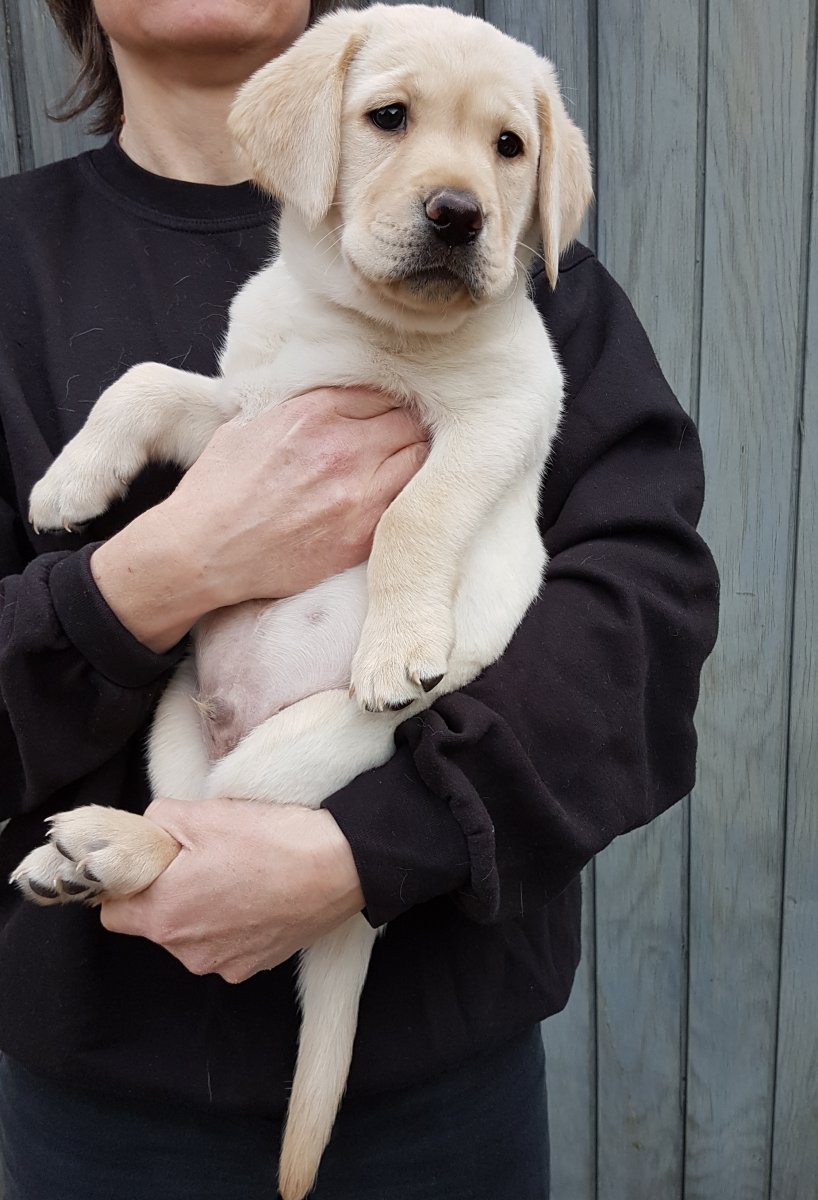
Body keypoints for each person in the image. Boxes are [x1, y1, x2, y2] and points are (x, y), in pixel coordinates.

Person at [0, 1, 719, 1197]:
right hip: (95, 1098)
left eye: (503, 149)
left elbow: (645, 620)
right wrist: (158, 571)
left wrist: (369, 847)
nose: (456, 189)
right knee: (192, 715)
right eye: (389, 118)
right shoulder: (25, 266)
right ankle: (162, 838)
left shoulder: (539, 307)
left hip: (443, 1081)